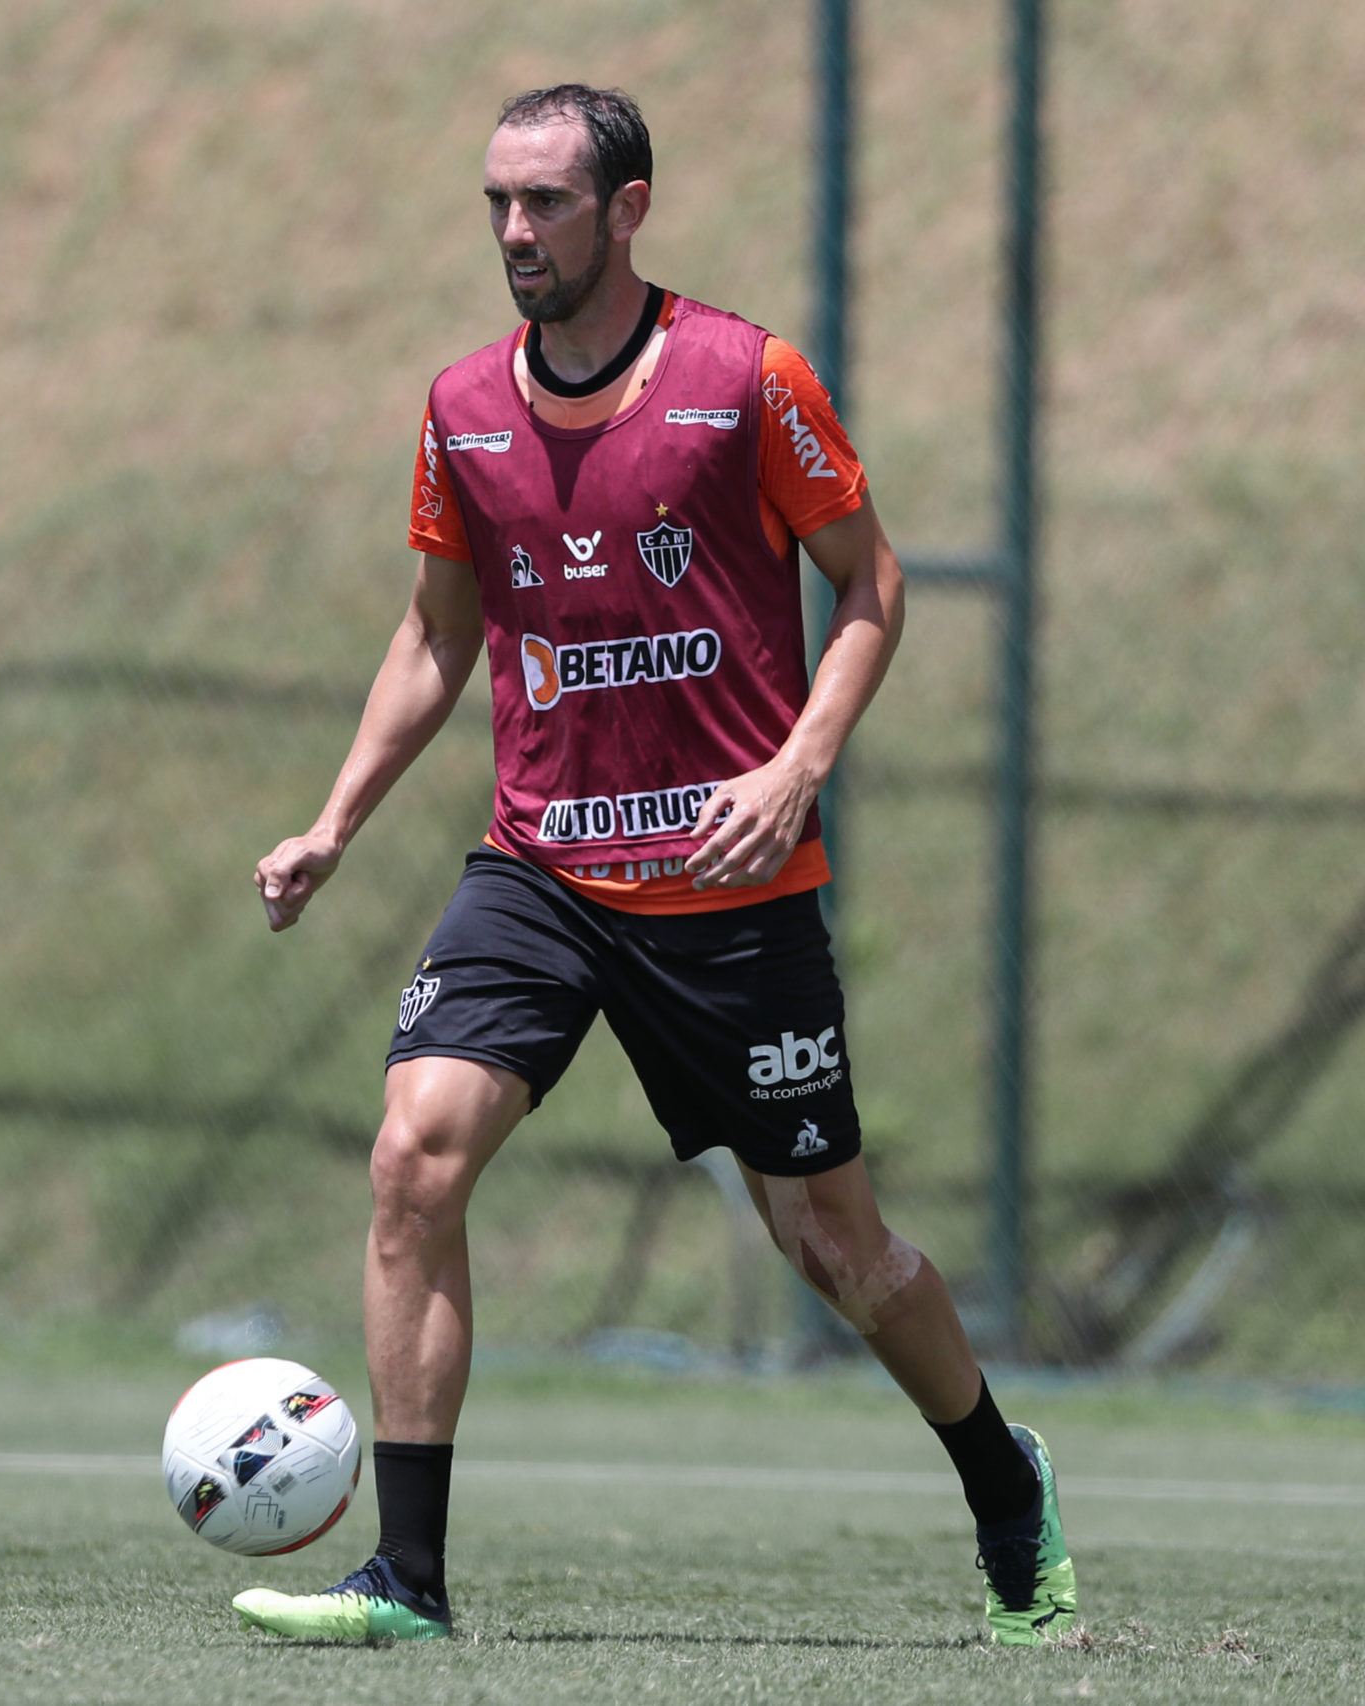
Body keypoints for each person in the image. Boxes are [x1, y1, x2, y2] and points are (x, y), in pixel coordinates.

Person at [233, 85, 1075, 1647]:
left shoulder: (745, 380)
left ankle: (1000, 1480)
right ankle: (407, 1581)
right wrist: (333, 822)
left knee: (835, 1246)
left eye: (546, 202)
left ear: (627, 210)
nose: (514, 233)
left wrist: (798, 765)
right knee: (415, 1149)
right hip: (539, 870)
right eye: (497, 200)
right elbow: (437, 635)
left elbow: (871, 584)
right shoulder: (463, 408)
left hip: (729, 893)